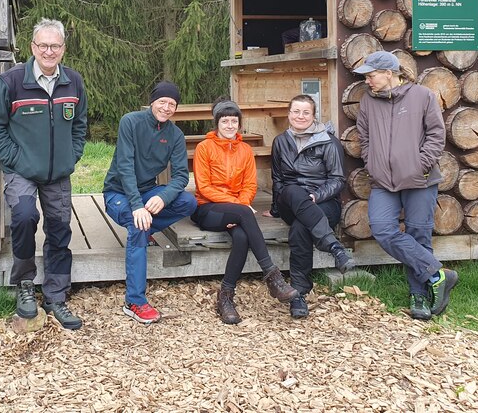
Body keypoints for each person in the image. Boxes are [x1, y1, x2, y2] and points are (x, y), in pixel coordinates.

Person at [0, 18, 87, 330]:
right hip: (22, 170)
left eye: (55, 46)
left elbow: (80, 125)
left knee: (59, 228)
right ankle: (25, 285)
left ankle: (55, 294)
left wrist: (72, 155)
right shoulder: (12, 82)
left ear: (63, 49)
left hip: (58, 172)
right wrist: (15, 159)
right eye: (43, 45)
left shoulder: (73, 82)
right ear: (33, 47)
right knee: (25, 217)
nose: (49, 51)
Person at [353, 51, 458, 320]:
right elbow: (364, 138)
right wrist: (372, 163)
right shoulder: (368, 102)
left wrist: (419, 165)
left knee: (418, 235)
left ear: (389, 73)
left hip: (419, 181)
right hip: (383, 182)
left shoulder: (422, 96)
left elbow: (437, 134)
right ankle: (438, 274)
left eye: (371, 75)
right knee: (382, 228)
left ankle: (419, 296)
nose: (368, 80)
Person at [192, 99, 298, 324]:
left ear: (239, 124)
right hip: (207, 208)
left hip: (237, 210)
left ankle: (225, 296)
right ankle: (272, 276)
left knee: (241, 237)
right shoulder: (204, 148)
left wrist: (239, 206)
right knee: (245, 214)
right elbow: (204, 187)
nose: (230, 125)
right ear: (217, 123)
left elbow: (250, 185)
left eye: (234, 121)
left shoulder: (245, 150)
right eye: (225, 121)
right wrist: (237, 206)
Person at [103, 81, 198, 324]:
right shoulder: (130, 122)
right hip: (118, 193)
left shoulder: (175, 135)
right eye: (162, 102)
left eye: (172, 104)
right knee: (138, 226)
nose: (166, 108)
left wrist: (162, 197)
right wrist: (136, 206)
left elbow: (180, 177)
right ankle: (134, 300)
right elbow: (124, 167)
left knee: (188, 202)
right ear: (152, 101)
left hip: (148, 192)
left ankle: (148, 226)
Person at [265, 94, 353, 319]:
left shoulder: (329, 142)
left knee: (300, 229)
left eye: (306, 112)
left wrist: (316, 195)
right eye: (296, 111)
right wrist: (275, 210)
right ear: (289, 114)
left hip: (323, 204)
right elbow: (278, 180)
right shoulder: (281, 141)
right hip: (289, 201)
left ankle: (299, 294)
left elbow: (337, 180)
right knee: (293, 190)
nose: (300, 116)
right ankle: (332, 245)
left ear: (314, 116)